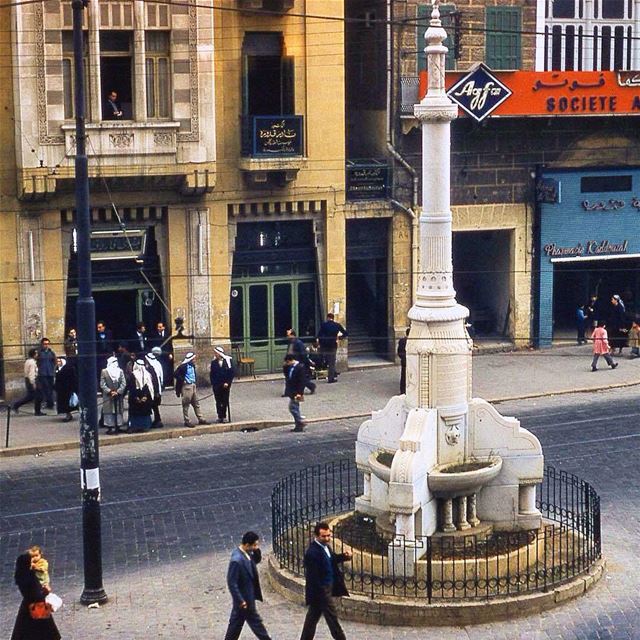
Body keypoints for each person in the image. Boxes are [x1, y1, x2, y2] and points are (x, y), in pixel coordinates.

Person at [300, 522, 352, 640]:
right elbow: (313, 578)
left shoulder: (326, 547)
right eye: (324, 536)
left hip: (328, 586)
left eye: (328, 535)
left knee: (312, 619)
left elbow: (332, 559)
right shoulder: (312, 553)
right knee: (332, 619)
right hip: (322, 590)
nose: (327, 538)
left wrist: (345, 556)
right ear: (316, 536)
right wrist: (323, 594)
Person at [223, 531, 272, 640]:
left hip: (247, 598)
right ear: (246, 545)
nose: (256, 547)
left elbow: (256, 560)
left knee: (235, 625)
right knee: (256, 624)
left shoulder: (247, 554)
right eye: (254, 545)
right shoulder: (237, 561)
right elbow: (232, 583)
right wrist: (240, 600)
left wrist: (256, 550)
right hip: (244, 601)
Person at [10, 552, 61, 640]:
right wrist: (45, 591)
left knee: (24, 631)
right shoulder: (30, 576)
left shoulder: (20, 575)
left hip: (27, 606)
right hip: (38, 607)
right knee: (44, 631)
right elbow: (36, 595)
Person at [174, 352, 208, 428]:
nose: (195, 360)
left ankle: (200, 418)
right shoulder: (183, 366)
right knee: (186, 404)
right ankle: (187, 420)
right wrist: (183, 380)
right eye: (194, 358)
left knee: (196, 403)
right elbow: (175, 374)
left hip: (193, 385)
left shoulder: (192, 366)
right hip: (187, 387)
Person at [316, 313, 348, 384]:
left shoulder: (324, 325)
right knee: (332, 362)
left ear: (327, 318)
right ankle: (331, 378)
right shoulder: (337, 325)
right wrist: (339, 338)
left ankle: (329, 372)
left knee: (325, 359)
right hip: (332, 345)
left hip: (324, 345)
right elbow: (345, 333)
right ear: (333, 318)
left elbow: (319, 335)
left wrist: (320, 342)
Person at [12, 348, 45, 416]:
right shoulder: (32, 363)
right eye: (36, 353)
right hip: (33, 380)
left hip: (28, 379)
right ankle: (37, 411)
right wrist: (33, 383)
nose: (37, 354)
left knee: (31, 396)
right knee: (39, 396)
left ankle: (17, 405)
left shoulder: (28, 361)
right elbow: (31, 373)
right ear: (33, 354)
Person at [100, 356, 127, 434]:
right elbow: (102, 384)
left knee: (118, 410)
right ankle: (110, 427)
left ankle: (118, 426)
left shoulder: (120, 371)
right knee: (109, 411)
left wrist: (118, 391)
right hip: (108, 396)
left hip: (118, 395)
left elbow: (123, 383)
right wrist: (109, 391)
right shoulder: (104, 371)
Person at [127, 359, 154, 433]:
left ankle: (137, 427)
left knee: (140, 412)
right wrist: (144, 396)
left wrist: (139, 397)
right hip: (141, 398)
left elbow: (131, 387)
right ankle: (142, 426)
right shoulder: (147, 374)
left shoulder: (134, 374)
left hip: (138, 398)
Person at [285, 329, 316, 394]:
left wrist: (308, 363)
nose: (287, 336)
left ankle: (311, 386)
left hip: (297, 362)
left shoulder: (298, 343)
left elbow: (303, 354)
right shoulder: (291, 343)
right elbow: (289, 353)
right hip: (291, 362)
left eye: (288, 335)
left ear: (292, 335)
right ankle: (288, 392)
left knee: (300, 378)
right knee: (289, 377)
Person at [210, 346, 234, 423]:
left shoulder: (228, 361)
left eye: (216, 353)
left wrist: (227, 382)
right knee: (218, 401)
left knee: (225, 401)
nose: (215, 355)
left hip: (225, 386)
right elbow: (212, 374)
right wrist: (214, 384)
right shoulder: (213, 363)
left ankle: (224, 416)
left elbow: (231, 373)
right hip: (217, 385)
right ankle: (219, 416)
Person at [284, 353, 307, 432]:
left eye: (287, 362)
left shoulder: (300, 367)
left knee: (293, 408)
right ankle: (299, 423)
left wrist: (300, 393)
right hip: (293, 391)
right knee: (294, 407)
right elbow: (287, 375)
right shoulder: (290, 367)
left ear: (290, 361)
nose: (287, 364)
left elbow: (302, 381)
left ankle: (300, 422)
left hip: (297, 391)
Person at [149, 320, 173, 387]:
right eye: (158, 327)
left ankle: (166, 382)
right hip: (158, 355)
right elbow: (152, 344)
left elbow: (170, 345)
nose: (158, 328)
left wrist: (170, 353)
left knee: (166, 369)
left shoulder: (167, 334)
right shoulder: (154, 335)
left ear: (163, 327)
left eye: (160, 327)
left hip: (165, 354)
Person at [54, 357, 77, 423]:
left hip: (67, 389)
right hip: (61, 389)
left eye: (59, 361)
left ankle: (68, 415)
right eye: (57, 361)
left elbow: (73, 378)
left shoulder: (68, 368)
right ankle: (68, 414)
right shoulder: (57, 368)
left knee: (68, 402)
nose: (58, 363)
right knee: (63, 403)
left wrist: (73, 387)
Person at [145, 348, 164, 427]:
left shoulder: (150, 366)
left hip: (153, 388)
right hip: (157, 388)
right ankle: (157, 419)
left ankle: (156, 420)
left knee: (153, 405)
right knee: (154, 406)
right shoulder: (158, 363)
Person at [37, 337, 56, 410]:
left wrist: (53, 370)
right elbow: (37, 362)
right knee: (45, 388)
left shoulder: (51, 353)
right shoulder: (39, 353)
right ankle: (49, 403)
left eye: (48, 344)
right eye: (45, 344)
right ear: (42, 344)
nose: (46, 345)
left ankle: (50, 403)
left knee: (50, 388)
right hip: (43, 373)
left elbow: (55, 362)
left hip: (50, 373)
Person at [397, 327, 410, 394]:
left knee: (403, 376)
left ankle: (403, 390)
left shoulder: (402, 340)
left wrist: (403, 358)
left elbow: (399, 351)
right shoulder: (411, 341)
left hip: (404, 361)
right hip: (408, 361)